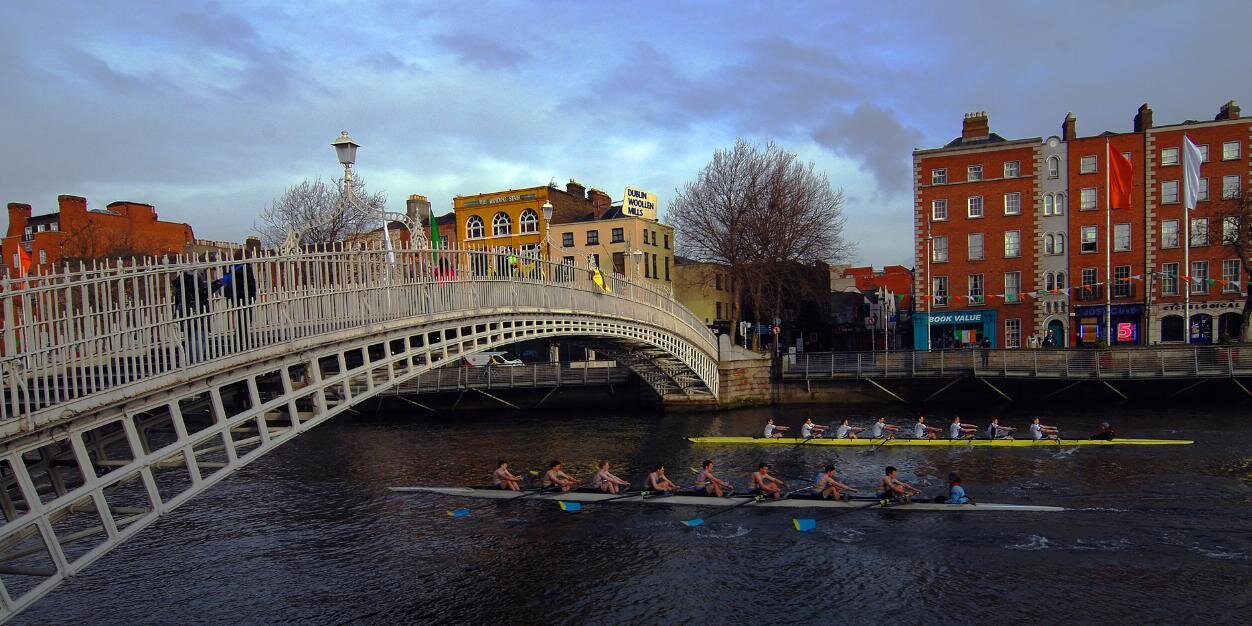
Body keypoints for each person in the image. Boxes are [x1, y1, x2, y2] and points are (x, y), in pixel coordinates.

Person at [212, 254, 258, 348]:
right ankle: (244, 341)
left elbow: (225, 280)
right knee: (246, 319)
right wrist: (253, 296)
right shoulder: (246, 268)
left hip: (235, 297)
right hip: (245, 296)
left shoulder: (232, 268)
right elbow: (250, 284)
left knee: (240, 319)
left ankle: (240, 339)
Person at [171, 269, 212, 364]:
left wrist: (176, 313)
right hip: (198, 312)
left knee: (190, 338)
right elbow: (204, 292)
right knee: (200, 338)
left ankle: (190, 361)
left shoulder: (181, 281)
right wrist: (221, 281)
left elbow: (177, 301)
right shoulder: (195, 279)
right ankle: (197, 361)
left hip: (186, 313)